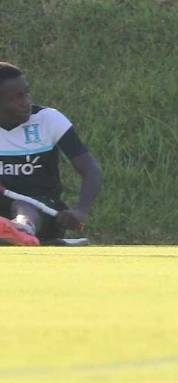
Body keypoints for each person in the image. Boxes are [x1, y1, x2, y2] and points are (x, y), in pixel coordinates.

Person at [0, 62, 102, 246]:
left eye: (26, 93)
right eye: (17, 98)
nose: (27, 102)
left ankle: (21, 230)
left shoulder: (48, 119)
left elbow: (90, 170)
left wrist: (80, 211)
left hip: (44, 209)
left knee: (24, 205)